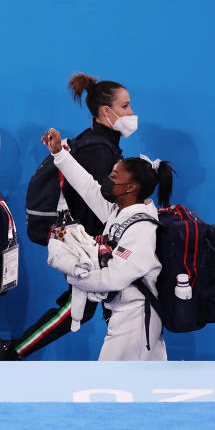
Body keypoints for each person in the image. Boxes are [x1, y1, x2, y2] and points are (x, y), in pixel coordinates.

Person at [0, 73, 133, 360]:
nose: (131, 113)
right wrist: (99, 243)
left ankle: (15, 350)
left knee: (90, 302)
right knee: (79, 305)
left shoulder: (97, 141)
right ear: (105, 112)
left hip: (80, 235)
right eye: (125, 106)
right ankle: (15, 350)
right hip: (82, 236)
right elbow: (93, 200)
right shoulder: (98, 148)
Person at [40, 128, 174, 361]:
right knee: (144, 387)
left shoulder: (141, 228)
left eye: (113, 177)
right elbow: (87, 187)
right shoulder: (119, 211)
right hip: (126, 316)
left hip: (136, 322)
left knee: (110, 386)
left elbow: (114, 278)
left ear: (131, 188)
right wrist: (59, 153)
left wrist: (74, 275)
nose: (106, 180)